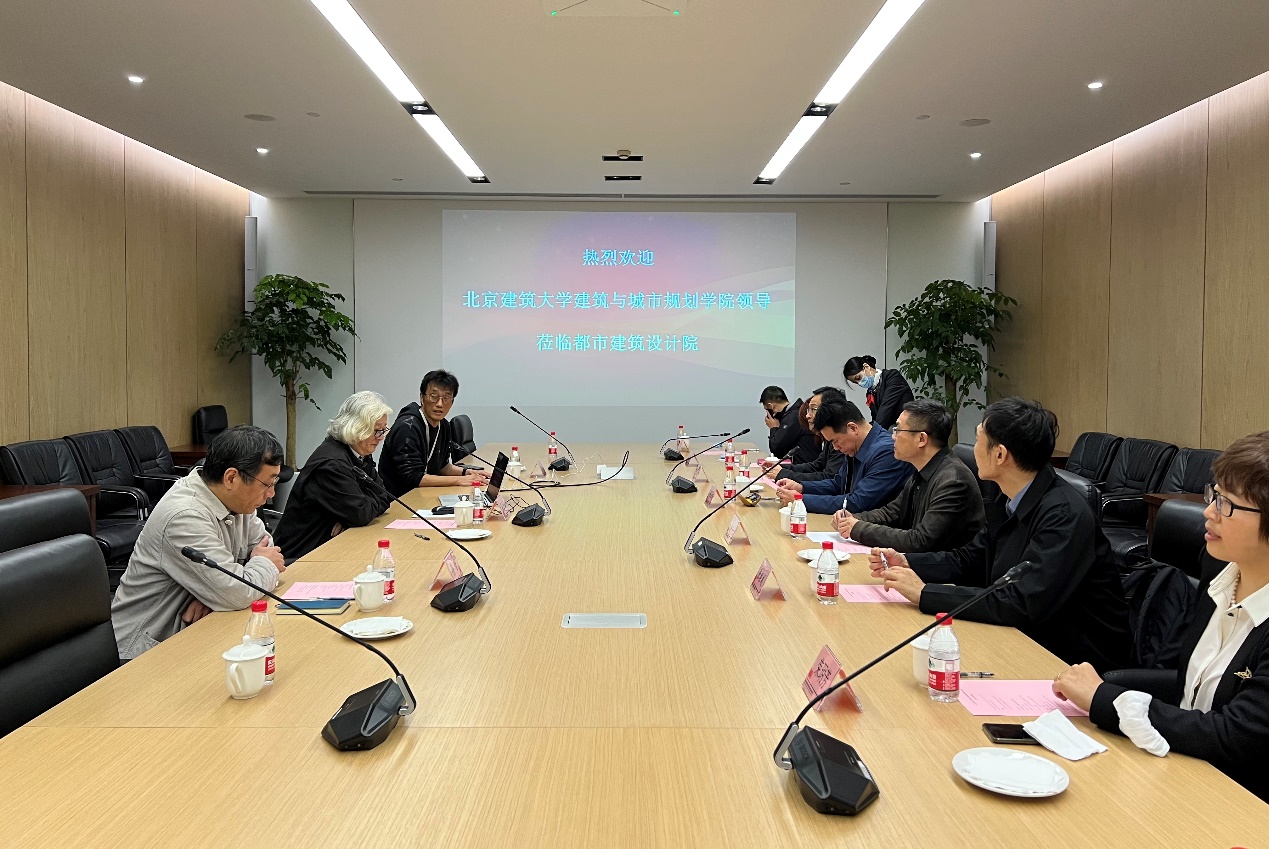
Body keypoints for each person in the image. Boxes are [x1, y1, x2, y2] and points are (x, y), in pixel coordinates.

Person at [1052, 432, 1269, 803]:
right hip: (1183, 770)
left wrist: (1108, 699)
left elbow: (1237, 737)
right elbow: (1190, 690)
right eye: (1213, 494)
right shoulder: (1219, 567)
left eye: (1227, 504)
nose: (1209, 511)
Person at [868, 397, 1130, 671]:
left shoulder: (1063, 515)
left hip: (1072, 661)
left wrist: (924, 593)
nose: (972, 449)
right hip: (1021, 638)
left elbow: (1021, 602)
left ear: (1000, 455)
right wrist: (909, 562)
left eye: (978, 438)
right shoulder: (1008, 497)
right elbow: (968, 559)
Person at [110, 426, 288, 660]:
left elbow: (265, 548)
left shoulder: (237, 500)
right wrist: (222, 591)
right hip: (144, 650)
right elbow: (239, 590)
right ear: (231, 478)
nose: (272, 494)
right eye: (267, 484)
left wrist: (213, 594)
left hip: (191, 635)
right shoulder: (184, 515)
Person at [836, 399, 984, 552]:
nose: (893, 437)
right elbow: (892, 513)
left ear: (921, 439)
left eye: (898, 430)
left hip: (938, 565)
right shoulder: (924, 469)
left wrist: (858, 528)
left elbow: (920, 540)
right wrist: (854, 519)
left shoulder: (952, 482)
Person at [273, 391, 394, 560]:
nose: (380, 438)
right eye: (375, 431)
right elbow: (361, 513)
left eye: (383, 430)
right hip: (301, 556)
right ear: (355, 427)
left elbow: (383, 496)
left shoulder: (358, 451)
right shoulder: (332, 464)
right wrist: (354, 516)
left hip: (328, 546)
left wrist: (348, 519)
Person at [775, 398, 911, 515]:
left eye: (835, 441)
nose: (835, 448)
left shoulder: (886, 452)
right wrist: (802, 487)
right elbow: (838, 484)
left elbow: (857, 503)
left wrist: (799, 500)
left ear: (852, 428)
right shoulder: (855, 445)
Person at [380, 370, 490, 497]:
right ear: (422, 397)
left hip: (424, 493)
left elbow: (443, 467)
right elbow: (412, 477)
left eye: (446, 398)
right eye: (434, 396)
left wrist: (467, 473)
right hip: (399, 499)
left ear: (452, 402)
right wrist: (459, 480)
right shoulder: (407, 427)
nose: (439, 404)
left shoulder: (444, 426)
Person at [777, 386, 847, 484]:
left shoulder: (841, 438)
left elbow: (829, 477)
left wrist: (784, 474)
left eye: (813, 409)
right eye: (808, 410)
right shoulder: (829, 438)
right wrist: (780, 468)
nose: (807, 416)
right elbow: (816, 466)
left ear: (832, 410)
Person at [843, 355, 914, 431]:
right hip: (890, 428)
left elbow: (885, 410)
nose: (859, 383)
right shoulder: (870, 392)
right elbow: (876, 419)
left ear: (866, 367)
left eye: (858, 378)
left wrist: (867, 431)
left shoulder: (892, 377)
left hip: (907, 427)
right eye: (856, 382)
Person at [761, 385, 819, 461]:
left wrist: (773, 428)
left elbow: (776, 449)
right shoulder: (794, 413)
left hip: (805, 465)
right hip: (804, 464)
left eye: (767, 410)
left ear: (771, 406)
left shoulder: (794, 417)